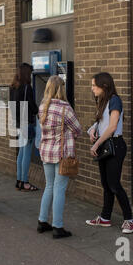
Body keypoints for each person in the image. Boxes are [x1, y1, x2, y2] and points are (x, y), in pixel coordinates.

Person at [86, 72, 133, 234]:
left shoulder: (115, 100)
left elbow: (113, 127)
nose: (92, 88)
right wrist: (92, 130)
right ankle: (105, 217)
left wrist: (96, 144)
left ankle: (129, 220)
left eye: (94, 85)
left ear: (104, 86)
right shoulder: (104, 101)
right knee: (106, 184)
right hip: (105, 146)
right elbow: (101, 122)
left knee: (114, 184)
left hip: (115, 146)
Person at [37, 76, 82, 238]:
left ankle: (42, 221)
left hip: (46, 152)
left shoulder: (42, 107)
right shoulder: (65, 108)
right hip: (62, 154)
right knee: (59, 189)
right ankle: (57, 226)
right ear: (61, 89)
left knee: (49, 186)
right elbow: (78, 129)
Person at [10, 63, 39, 192]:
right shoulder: (27, 87)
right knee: (26, 153)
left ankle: (19, 181)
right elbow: (32, 106)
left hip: (18, 123)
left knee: (21, 152)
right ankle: (25, 182)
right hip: (26, 123)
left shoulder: (13, 87)